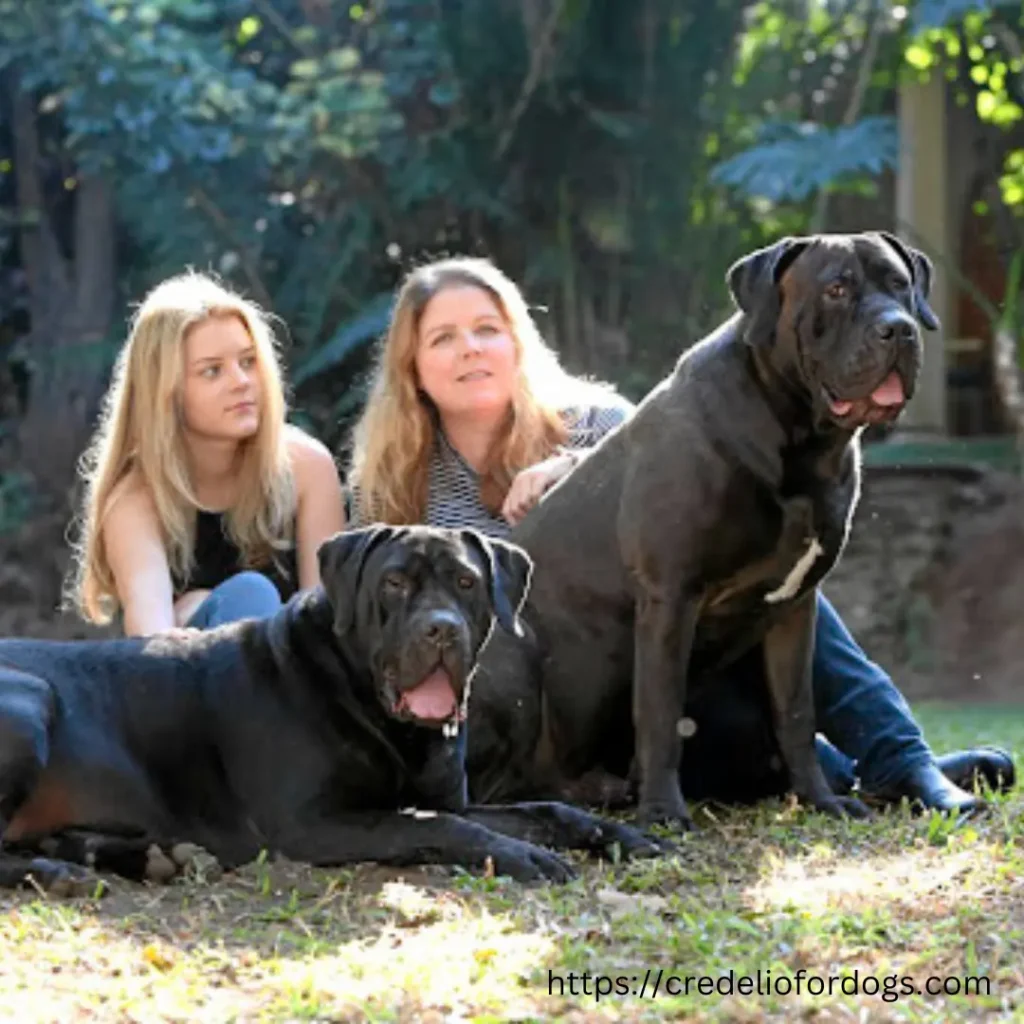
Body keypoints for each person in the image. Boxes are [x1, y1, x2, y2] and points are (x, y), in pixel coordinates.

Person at [346, 254, 1015, 814]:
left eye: (487, 329)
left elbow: (683, 511)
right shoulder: (398, 488)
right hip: (552, 703)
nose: (469, 348)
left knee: (782, 564)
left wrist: (575, 468)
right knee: (768, 585)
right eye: (443, 338)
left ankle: (899, 759)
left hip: (684, 664)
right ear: (412, 366)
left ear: (518, 342)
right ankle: (861, 772)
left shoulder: (596, 420)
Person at [67, 271, 345, 637]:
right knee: (248, 595)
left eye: (247, 362)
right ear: (165, 393)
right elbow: (152, 645)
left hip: (296, 678)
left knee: (250, 599)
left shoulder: (308, 467)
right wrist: (201, 616)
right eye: (212, 371)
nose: (242, 381)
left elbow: (327, 625)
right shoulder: (135, 499)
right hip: (186, 682)